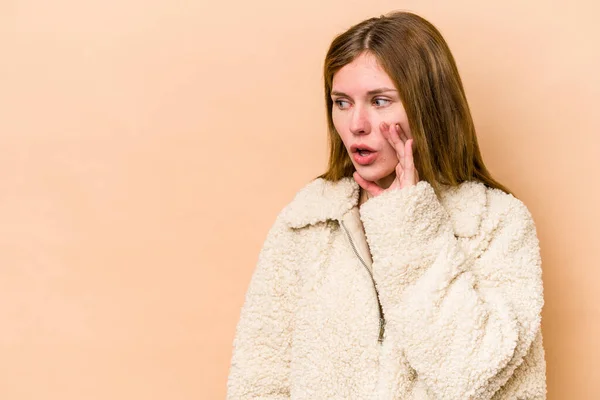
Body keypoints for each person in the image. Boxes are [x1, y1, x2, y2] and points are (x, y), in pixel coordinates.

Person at [226, 10, 546, 400]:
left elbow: (472, 373)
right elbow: (259, 377)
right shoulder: (309, 219)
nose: (356, 124)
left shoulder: (495, 222)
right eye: (341, 102)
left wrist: (408, 223)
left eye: (379, 101)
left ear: (427, 107)